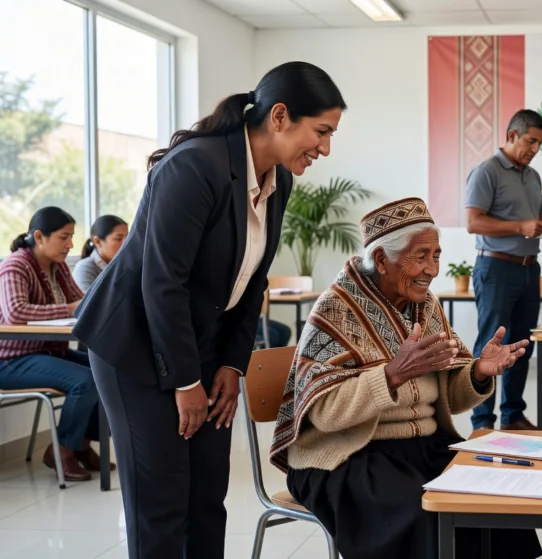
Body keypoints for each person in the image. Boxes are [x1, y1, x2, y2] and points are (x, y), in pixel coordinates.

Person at [72, 61, 346, 559]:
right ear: (279, 116)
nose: (325, 148)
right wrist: (185, 382)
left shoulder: (277, 181)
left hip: (198, 345)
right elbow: (163, 283)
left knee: (206, 500)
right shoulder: (195, 167)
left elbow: (252, 280)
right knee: (161, 503)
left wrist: (232, 365)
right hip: (133, 346)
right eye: (321, 131)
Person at [271, 198, 542, 559]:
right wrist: (391, 375)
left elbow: (447, 397)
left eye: (437, 255)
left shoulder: (425, 306)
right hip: (345, 456)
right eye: (421, 256)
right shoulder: (334, 310)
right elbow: (324, 414)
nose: (433, 269)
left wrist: (477, 372)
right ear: (381, 260)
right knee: (422, 515)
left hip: (422, 447)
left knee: (497, 499)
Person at [465, 108, 542, 431]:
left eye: (540, 143)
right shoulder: (487, 171)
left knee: (522, 345)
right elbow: (473, 222)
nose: (535, 149)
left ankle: (512, 415)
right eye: (531, 141)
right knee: (491, 344)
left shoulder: (533, 176)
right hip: (496, 268)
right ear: (512, 135)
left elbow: (534, 222)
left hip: (529, 269)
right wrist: (520, 226)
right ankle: (482, 421)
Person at [0, 207, 111, 482]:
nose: (70, 244)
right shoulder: (15, 265)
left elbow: (81, 302)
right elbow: (15, 312)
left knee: (108, 370)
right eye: (64, 237)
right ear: (39, 236)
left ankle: (80, 444)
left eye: (71, 237)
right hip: (11, 360)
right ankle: (61, 450)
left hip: (44, 353)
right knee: (85, 380)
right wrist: (68, 309)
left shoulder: (57, 266)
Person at [72, 214, 128, 292]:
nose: (126, 243)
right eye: (118, 239)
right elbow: (87, 299)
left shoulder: (126, 265)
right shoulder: (85, 269)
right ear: (97, 241)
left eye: (128, 238)